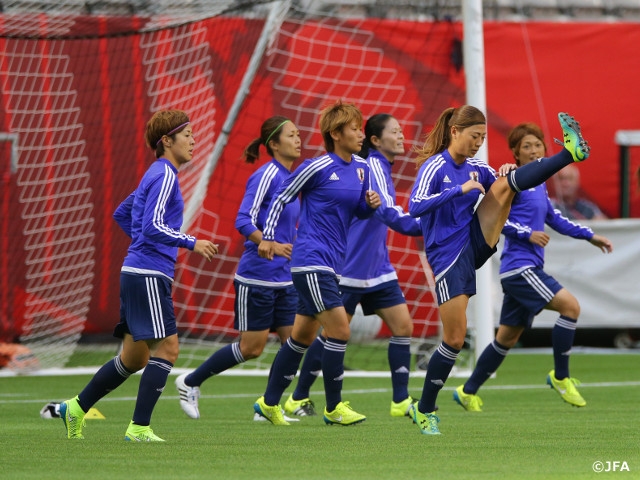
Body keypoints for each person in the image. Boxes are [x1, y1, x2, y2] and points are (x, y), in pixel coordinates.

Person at [408, 106, 592, 435]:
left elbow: (505, 188)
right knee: (454, 339)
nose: (479, 143)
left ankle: (569, 152)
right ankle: (425, 408)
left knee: (508, 184)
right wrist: (458, 190)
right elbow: (415, 206)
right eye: (474, 136)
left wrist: (506, 171)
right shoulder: (436, 165)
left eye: (482, 137)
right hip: (448, 256)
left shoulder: (479, 167)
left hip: (475, 239)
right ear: (454, 132)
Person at [59, 110, 218, 442]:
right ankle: (139, 428)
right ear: (166, 141)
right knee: (169, 349)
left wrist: (145, 246)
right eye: (186, 134)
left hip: (137, 270)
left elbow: (123, 213)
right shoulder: (165, 176)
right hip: (146, 273)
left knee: (134, 357)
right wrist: (190, 241)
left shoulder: (156, 173)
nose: (193, 140)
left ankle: (75, 407)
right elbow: (152, 225)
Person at [453, 122, 613, 414]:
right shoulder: (513, 179)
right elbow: (495, 218)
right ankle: (561, 377)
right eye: (526, 146)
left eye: (537, 145)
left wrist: (591, 236)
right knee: (571, 308)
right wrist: (526, 233)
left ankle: (466, 391)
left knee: (506, 338)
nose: (533, 150)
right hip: (519, 268)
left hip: (522, 270)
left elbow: (558, 220)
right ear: (515, 153)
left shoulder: (540, 186)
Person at [282, 113, 422, 419]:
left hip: (377, 267)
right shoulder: (367, 166)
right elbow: (387, 211)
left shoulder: (376, 167)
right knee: (331, 334)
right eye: (395, 131)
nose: (402, 136)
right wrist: (426, 226)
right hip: (348, 267)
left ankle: (400, 400)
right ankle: (298, 396)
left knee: (402, 326)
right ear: (375, 140)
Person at [253, 99, 381, 426]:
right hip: (311, 260)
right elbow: (282, 196)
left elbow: (356, 214)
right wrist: (267, 237)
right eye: (354, 129)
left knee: (300, 339)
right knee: (339, 329)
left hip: (332, 263)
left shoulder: (362, 169)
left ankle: (268, 405)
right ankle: (334, 407)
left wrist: (369, 205)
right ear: (336, 133)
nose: (361, 134)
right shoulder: (317, 166)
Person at [174, 116, 301, 419]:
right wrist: (266, 240)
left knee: (294, 344)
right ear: (273, 144)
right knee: (251, 348)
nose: (298, 140)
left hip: (286, 279)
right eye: (291, 135)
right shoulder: (266, 175)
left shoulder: (294, 179)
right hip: (258, 276)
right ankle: (190, 381)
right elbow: (244, 219)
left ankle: (267, 407)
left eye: (299, 135)